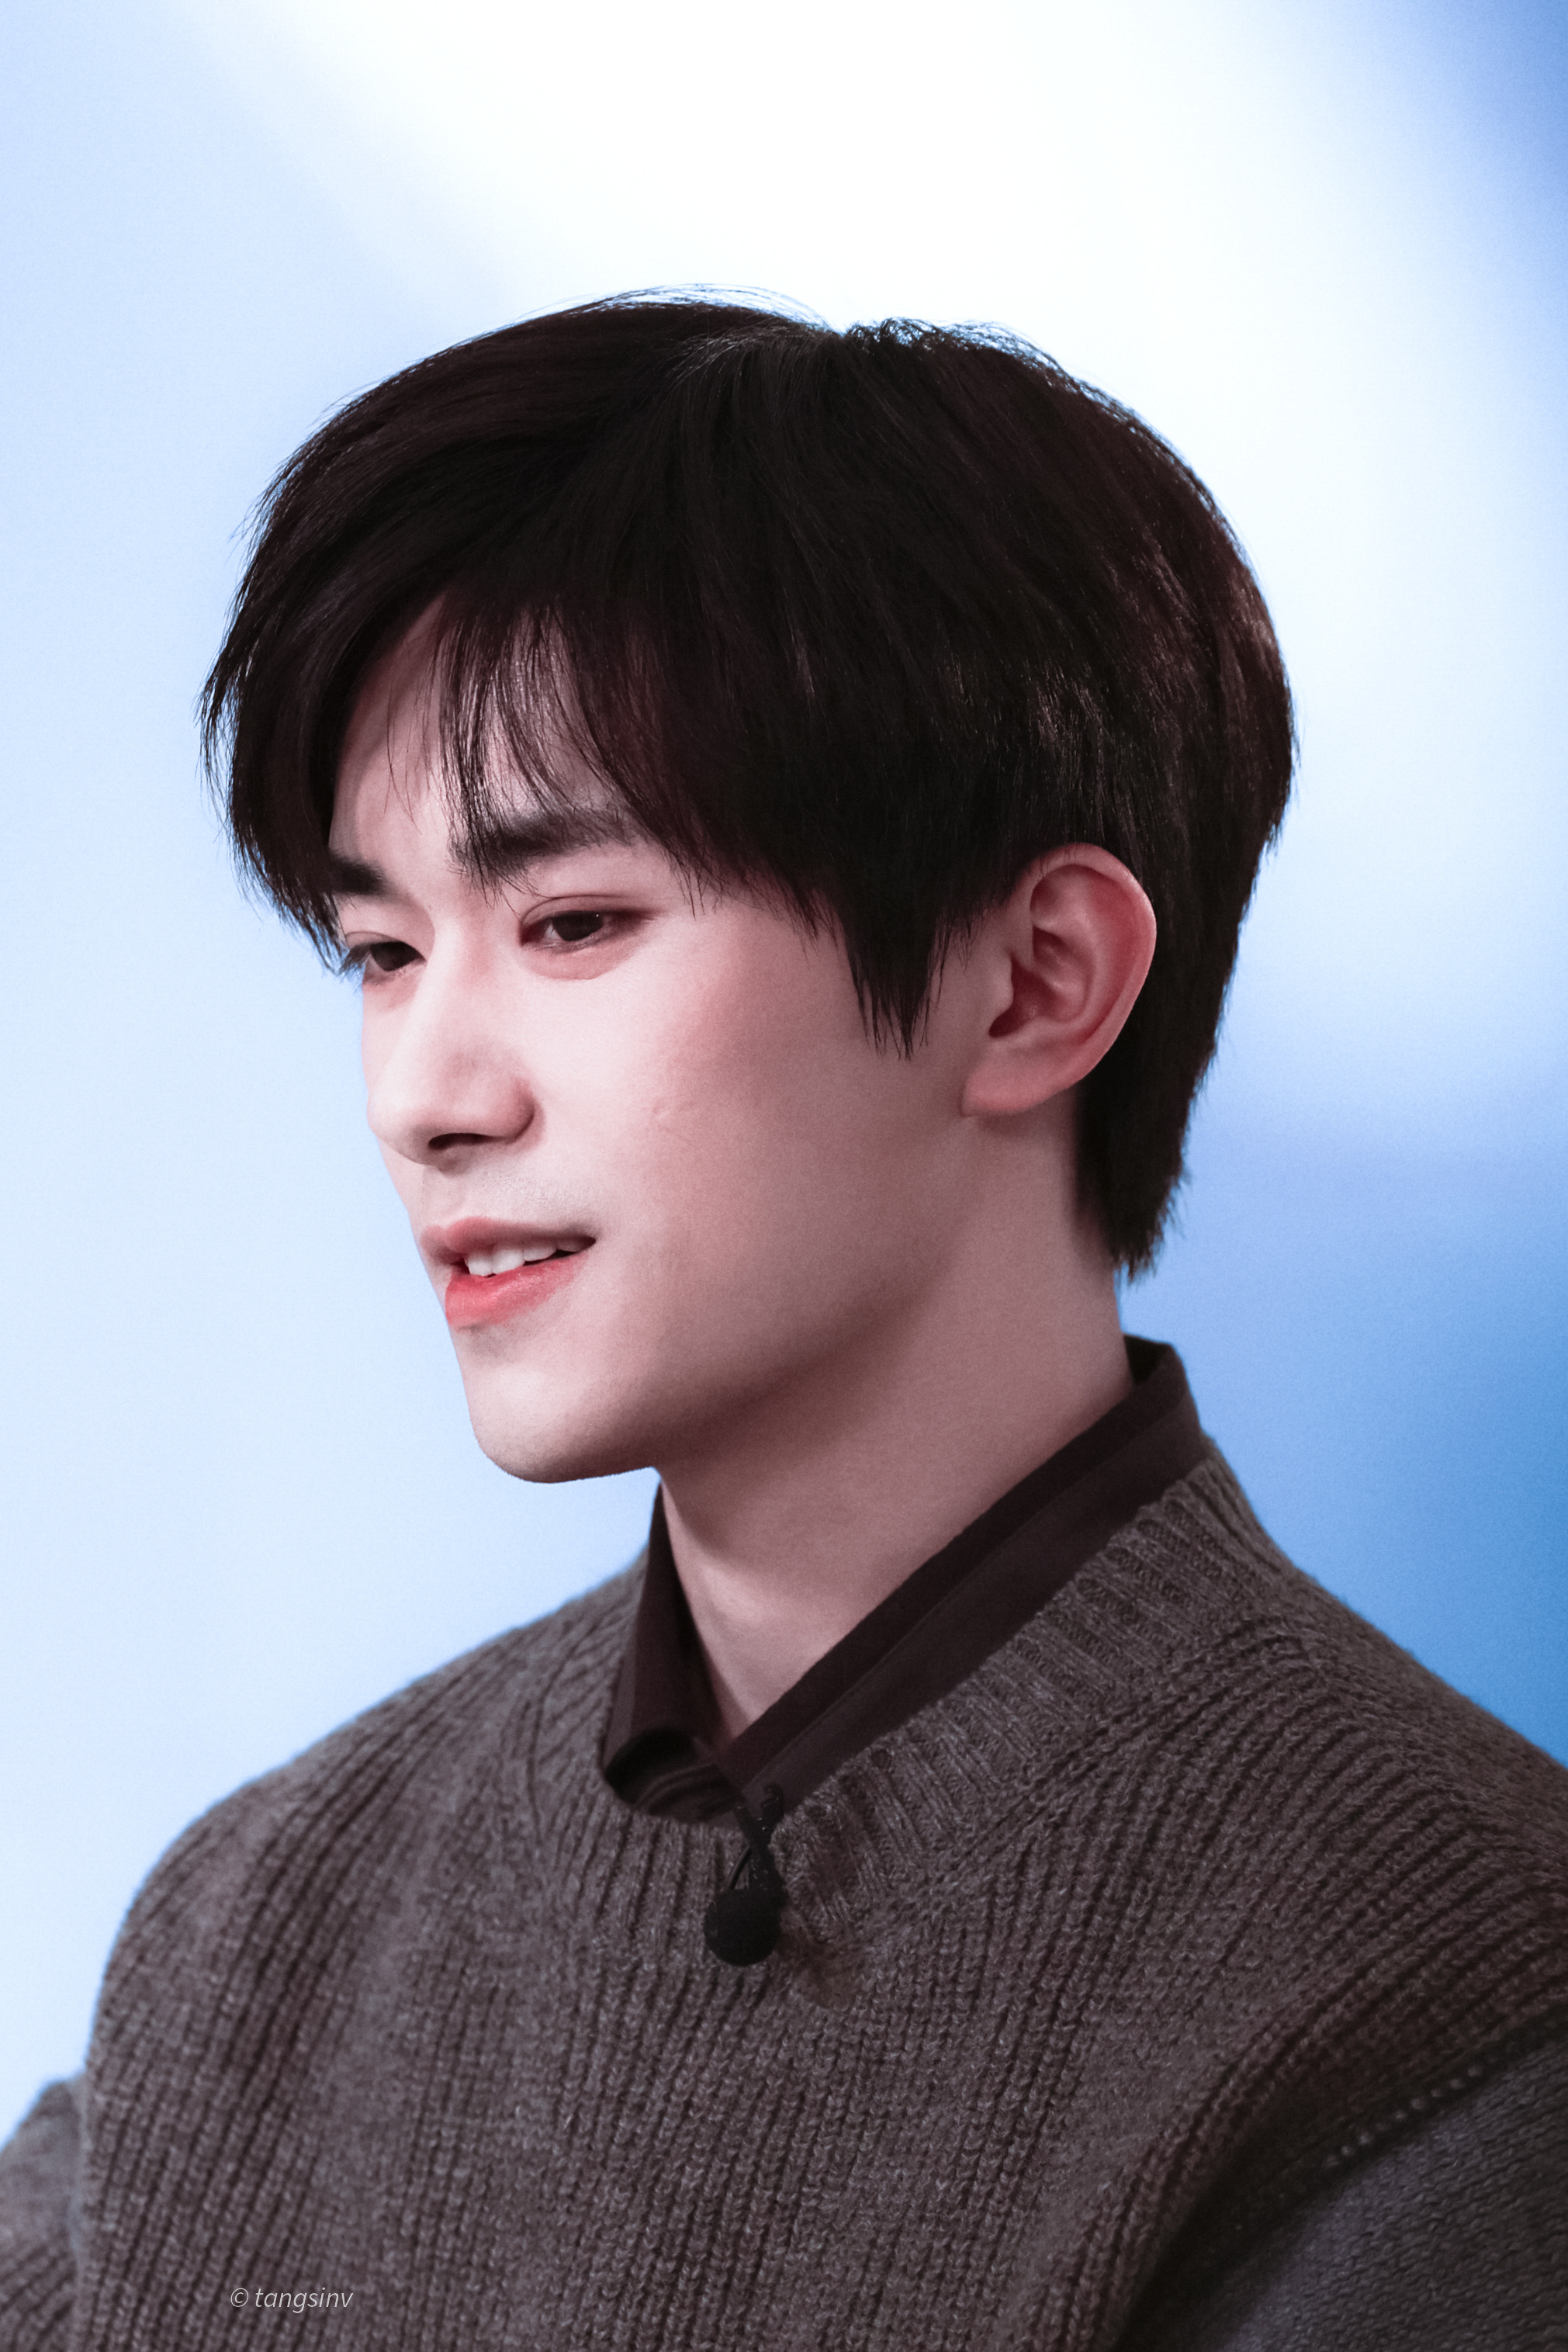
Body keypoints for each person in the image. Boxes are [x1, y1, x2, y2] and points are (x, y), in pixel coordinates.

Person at [2, 296, 1564, 2351]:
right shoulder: (262, 1927)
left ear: (1035, 983)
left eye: (572, 923)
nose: (425, 1094)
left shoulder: (1448, 2009)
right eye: (381, 950)